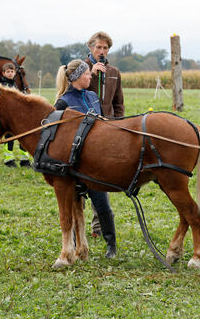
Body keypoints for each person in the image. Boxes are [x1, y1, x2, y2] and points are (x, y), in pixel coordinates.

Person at [53, 59, 117, 258]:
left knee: (103, 205)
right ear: (75, 78)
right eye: (87, 74)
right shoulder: (63, 102)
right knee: (72, 206)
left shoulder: (92, 96)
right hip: (74, 165)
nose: (90, 76)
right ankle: (72, 243)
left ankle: (111, 245)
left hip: (94, 164)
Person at [83, 31, 125, 238]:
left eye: (105, 48)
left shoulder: (114, 72)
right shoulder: (79, 68)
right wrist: (91, 73)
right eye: (98, 47)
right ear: (90, 48)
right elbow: (72, 92)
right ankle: (75, 224)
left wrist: (118, 125)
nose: (101, 51)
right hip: (82, 128)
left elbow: (119, 103)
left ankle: (98, 227)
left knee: (100, 177)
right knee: (79, 178)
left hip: (106, 130)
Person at [0, 63, 32, 168]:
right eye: (8, 72)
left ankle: (25, 160)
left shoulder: (16, 84)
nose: (10, 73)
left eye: (12, 71)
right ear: (3, 73)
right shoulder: (1, 85)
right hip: (7, 117)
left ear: (15, 73)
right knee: (9, 138)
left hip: (18, 116)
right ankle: (9, 159)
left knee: (23, 136)